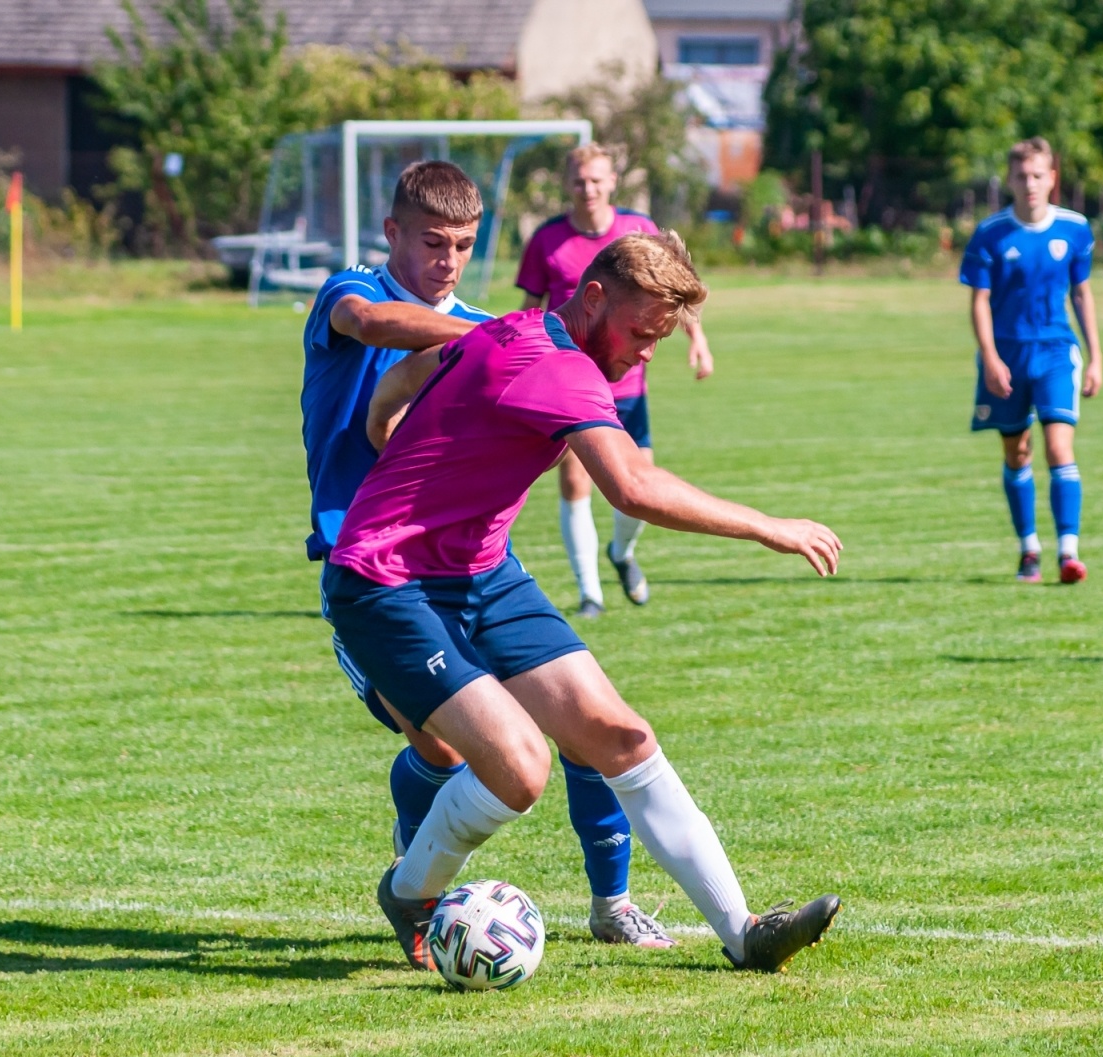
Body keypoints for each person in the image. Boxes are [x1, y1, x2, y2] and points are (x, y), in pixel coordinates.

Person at [333, 231, 843, 974]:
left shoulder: (510, 328)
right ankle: (410, 892)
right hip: (388, 582)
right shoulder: (561, 368)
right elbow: (632, 487)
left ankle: (747, 934)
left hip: (482, 572)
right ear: (594, 298)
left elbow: (411, 375)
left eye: (661, 339)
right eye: (641, 333)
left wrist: (386, 434)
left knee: (622, 737)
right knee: (521, 766)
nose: (648, 354)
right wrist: (768, 526)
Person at [300, 161, 674, 948]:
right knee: (439, 747)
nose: (448, 260)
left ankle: (613, 904)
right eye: (432, 242)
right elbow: (373, 325)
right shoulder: (352, 292)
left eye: (464, 245)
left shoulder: (489, 327)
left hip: (468, 562)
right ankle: (416, 888)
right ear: (393, 232)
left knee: (585, 720)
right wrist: (497, 336)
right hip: (370, 568)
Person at [516, 143, 715, 618]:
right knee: (574, 482)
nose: (588, 188)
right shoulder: (547, 239)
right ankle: (591, 594)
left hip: (627, 389)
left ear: (612, 182)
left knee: (639, 487)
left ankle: (621, 553)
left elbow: (674, 292)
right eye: (579, 180)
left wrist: (698, 339)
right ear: (567, 184)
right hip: (572, 386)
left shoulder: (638, 229)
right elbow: (529, 306)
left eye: (596, 179)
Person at [960, 137, 1103, 584]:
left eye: (1038, 175)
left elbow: (1081, 294)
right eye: (1022, 176)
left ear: (1052, 178)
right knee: (1016, 451)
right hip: (1007, 355)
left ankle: (1069, 552)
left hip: (1056, 351)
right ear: (1010, 179)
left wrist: (1096, 357)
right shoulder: (990, 233)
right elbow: (979, 301)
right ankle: (1029, 549)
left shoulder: (1075, 229)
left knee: (1059, 447)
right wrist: (990, 357)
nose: (1030, 184)